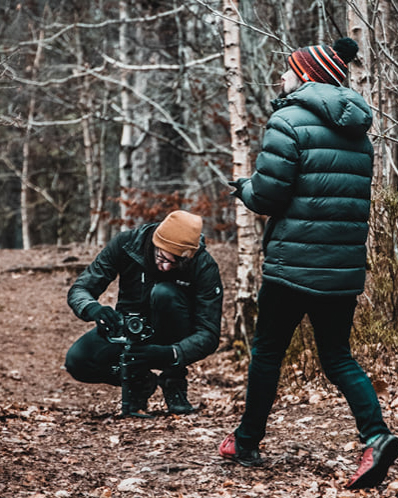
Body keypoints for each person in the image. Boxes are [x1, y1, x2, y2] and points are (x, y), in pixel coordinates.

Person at [219, 38, 398, 489]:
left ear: (306, 75)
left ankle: (247, 440)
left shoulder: (287, 120)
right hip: (342, 268)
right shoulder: (360, 131)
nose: (282, 76)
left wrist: (243, 188)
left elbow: (269, 195)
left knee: (267, 354)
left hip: (292, 266)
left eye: (288, 70)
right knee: (338, 357)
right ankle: (376, 436)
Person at [65, 210, 223, 416]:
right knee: (77, 361)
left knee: (164, 293)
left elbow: (209, 333)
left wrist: (171, 354)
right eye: (162, 257)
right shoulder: (127, 244)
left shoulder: (203, 264)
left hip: (171, 337)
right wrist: (93, 308)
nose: (166, 267)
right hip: (127, 328)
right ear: (155, 242)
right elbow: (80, 289)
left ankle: (173, 383)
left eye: (175, 262)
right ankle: (139, 382)